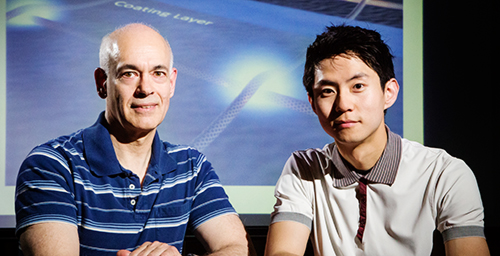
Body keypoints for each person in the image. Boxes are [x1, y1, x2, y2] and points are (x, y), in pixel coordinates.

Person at [15, 23, 250, 256]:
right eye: (129, 74)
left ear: (171, 83)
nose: (145, 88)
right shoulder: (51, 165)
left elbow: (236, 249)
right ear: (102, 83)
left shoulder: (192, 166)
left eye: (158, 73)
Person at [264, 24, 490, 256]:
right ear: (312, 103)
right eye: (328, 91)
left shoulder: (444, 172)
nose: (343, 104)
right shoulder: (303, 169)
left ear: (389, 92)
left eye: (358, 86)